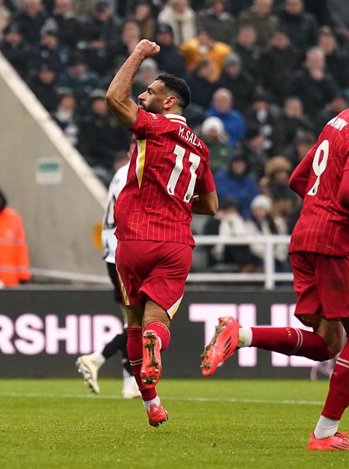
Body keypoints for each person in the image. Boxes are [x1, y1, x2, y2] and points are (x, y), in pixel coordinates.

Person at [201, 55, 349, 451]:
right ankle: (324, 435)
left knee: (328, 342)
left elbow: (299, 179)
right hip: (336, 242)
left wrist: (340, 211)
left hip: (305, 237)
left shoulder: (338, 121)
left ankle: (241, 334)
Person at [105, 39, 218, 427]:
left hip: (134, 238)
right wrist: (178, 200)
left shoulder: (152, 126)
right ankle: (152, 401)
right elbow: (212, 205)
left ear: (169, 102)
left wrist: (137, 53)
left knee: (134, 323)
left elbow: (114, 98)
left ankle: (151, 401)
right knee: (158, 322)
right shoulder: (201, 148)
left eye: (150, 91)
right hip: (176, 244)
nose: (142, 94)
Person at [75, 148, 140, 400]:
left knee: (132, 320)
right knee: (141, 319)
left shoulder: (120, 173)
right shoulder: (134, 173)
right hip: (123, 252)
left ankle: (128, 382)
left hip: (113, 252)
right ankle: (96, 358)